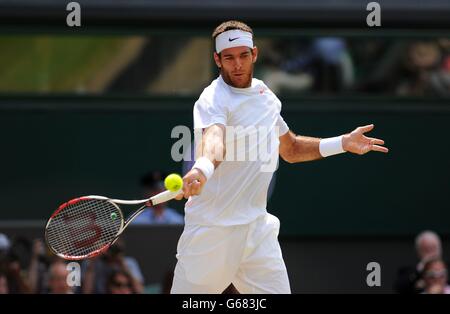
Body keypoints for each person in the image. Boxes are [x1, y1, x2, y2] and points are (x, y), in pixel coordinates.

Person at [171, 20, 388, 294]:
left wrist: (343, 143)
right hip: (212, 233)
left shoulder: (265, 95)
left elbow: (291, 149)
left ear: (255, 54)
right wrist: (201, 170)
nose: (237, 64)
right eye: (229, 58)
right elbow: (215, 140)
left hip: (257, 230)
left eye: (243, 56)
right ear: (217, 59)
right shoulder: (212, 98)